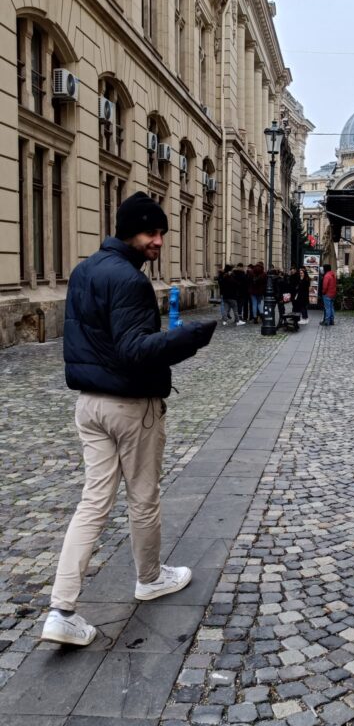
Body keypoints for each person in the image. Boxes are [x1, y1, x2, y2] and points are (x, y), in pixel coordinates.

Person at [41, 192, 217, 647]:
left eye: (161, 232)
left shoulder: (83, 271)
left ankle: (61, 610)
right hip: (130, 406)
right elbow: (135, 350)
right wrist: (189, 338)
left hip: (89, 404)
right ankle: (150, 578)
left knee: (93, 502)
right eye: (150, 233)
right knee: (143, 496)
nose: (158, 241)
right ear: (128, 232)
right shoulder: (132, 282)